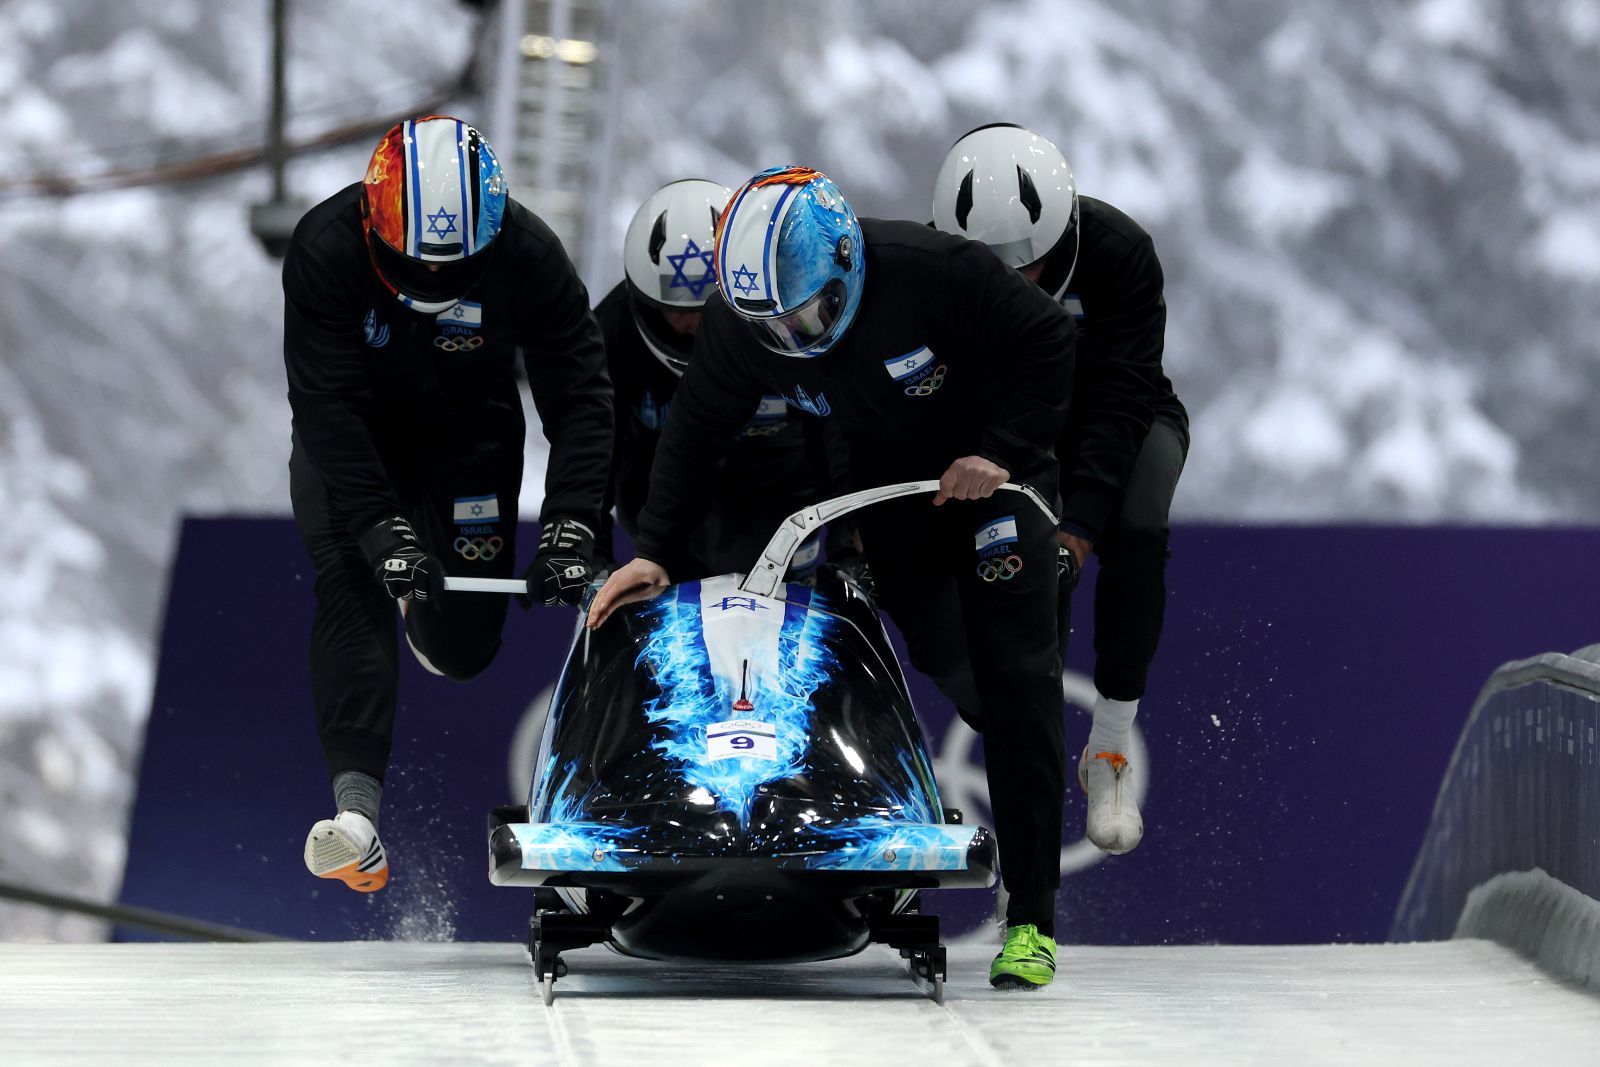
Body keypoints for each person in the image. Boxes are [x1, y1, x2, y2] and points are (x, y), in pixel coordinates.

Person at [588, 166, 1078, 990]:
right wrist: (656, 549)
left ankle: (1031, 915)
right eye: (770, 322)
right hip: (894, 497)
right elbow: (696, 431)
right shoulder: (745, 329)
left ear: (844, 267)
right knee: (943, 652)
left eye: (806, 313)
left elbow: (1051, 341)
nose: (790, 334)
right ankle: (1014, 736)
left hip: (998, 482)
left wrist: (1000, 447)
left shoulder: (933, 270)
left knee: (1016, 672)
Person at [282, 115, 611, 893]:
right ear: (376, 226)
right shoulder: (324, 248)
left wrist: (572, 526)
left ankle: (430, 616)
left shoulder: (531, 256)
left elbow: (582, 400)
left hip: (470, 437)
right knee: (353, 579)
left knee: (464, 650)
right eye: (417, 262)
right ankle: (356, 818)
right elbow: (326, 406)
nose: (433, 279)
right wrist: (379, 528)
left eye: (453, 266)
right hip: (356, 439)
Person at [933, 123, 1190, 856]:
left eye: (1030, 263)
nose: (1014, 282)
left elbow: (1122, 400)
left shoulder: (1120, 253)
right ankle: (1027, 797)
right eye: (994, 268)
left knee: (1136, 528)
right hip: (1012, 429)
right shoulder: (934, 267)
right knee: (1021, 577)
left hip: (1119, 414)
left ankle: (1109, 747)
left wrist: (1079, 529)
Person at [593, 178, 840, 579]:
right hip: (666, 514)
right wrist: (592, 554)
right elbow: (596, 449)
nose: (696, 326)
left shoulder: (785, 316)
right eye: (677, 312)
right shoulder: (613, 334)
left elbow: (835, 422)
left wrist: (850, 542)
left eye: (711, 309)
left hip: (781, 508)